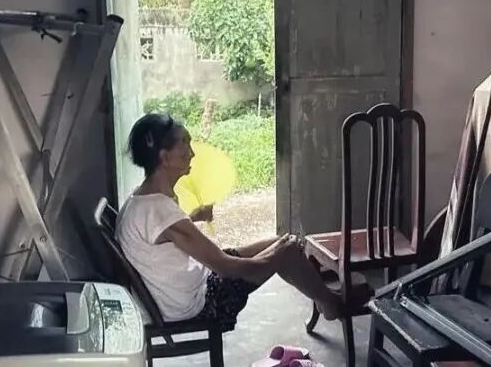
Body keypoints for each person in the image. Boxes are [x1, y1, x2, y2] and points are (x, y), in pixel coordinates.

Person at [115, 112, 359, 327]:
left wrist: (192, 219)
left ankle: (326, 300)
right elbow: (224, 266)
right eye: (185, 144)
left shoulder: (142, 200)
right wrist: (268, 262)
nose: (192, 153)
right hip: (197, 303)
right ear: (165, 157)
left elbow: (162, 240)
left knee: (281, 243)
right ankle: (333, 303)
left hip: (187, 289)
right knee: (287, 249)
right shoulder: (159, 209)